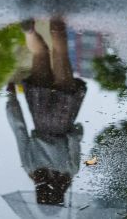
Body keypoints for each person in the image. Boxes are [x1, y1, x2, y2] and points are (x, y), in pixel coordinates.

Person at [6, 17, 87, 205]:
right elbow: (19, 130)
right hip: (39, 109)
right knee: (41, 53)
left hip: (64, 112)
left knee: (60, 52)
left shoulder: (71, 170)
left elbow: (74, 137)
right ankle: (29, 32)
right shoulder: (30, 167)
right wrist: (12, 99)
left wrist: (77, 131)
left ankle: (56, 14)